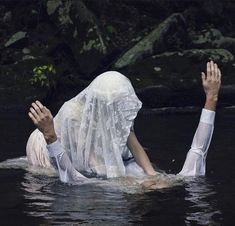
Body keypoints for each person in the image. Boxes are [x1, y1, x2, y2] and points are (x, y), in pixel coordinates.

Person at [26, 61, 221, 190]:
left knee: (141, 171)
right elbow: (80, 174)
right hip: (44, 142)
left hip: (85, 149)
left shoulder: (115, 110)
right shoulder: (73, 115)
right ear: (103, 102)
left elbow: (133, 143)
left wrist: (151, 175)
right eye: (117, 102)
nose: (121, 107)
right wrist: (50, 135)